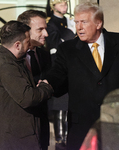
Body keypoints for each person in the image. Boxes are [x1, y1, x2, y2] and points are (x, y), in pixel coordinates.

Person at [45, 2, 119, 150]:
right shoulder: (67, 49)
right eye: (76, 22)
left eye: (84, 22)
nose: (79, 27)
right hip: (82, 129)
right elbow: (57, 76)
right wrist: (47, 83)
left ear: (98, 23)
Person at [0, 20, 53, 150]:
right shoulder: (6, 65)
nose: (29, 46)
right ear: (17, 45)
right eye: (27, 42)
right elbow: (27, 98)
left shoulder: (12, 61)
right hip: (11, 142)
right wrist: (46, 88)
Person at [17, 10, 51, 150]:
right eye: (40, 30)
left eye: (46, 29)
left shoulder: (45, 55)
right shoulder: (11, 59)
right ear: (25, 31)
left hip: (41, 130)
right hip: (19, 133)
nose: (46, 34)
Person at [45, 0, 76, 149]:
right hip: (59, 66)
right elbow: (56, 45)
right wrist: (70, 33)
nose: (65, 6)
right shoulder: (51, 24)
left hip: (72, 66)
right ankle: (60, 140)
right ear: (53, 6)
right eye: (61, 3)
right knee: (61, 104)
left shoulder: (68, 21)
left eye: (65, 3)